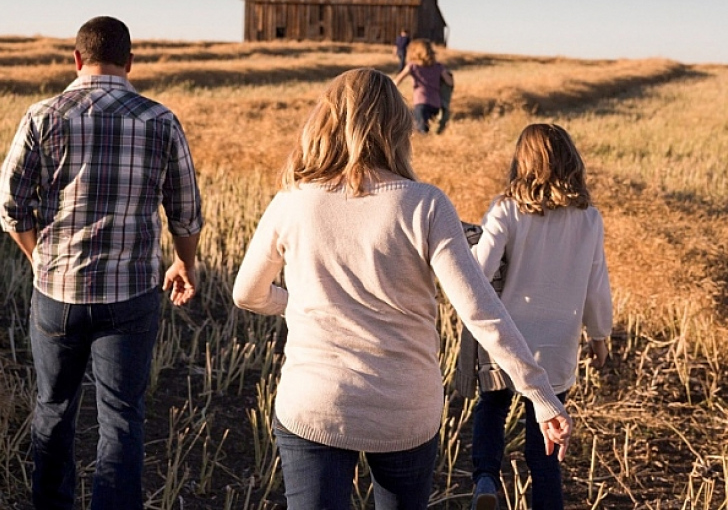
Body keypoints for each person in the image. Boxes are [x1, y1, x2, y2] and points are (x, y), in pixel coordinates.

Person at [232, 69, 571, 510]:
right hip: (405, 411)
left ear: (327, 121)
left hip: (314, 404)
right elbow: (479, 310)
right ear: (398, 125)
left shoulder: (292, 201)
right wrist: (540, 395)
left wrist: (301, 304)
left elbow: (247, 294)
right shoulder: (426, 204)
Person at [0, 16, 203, 510]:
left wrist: (39, 259)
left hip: (57, 293)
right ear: (130, 62)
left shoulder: (43, 115)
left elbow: (11, 205)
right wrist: (183, 264)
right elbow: (186, 212)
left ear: (76, 59)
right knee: (122, 416)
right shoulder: (160, 120)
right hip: (131, 296)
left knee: (53, 409)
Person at [462, 123, 612, 510]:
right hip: (558, 344)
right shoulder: (589, 218)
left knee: (492, 406)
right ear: (571, 162)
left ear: (522, 162)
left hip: (507, 338)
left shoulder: (506, 208)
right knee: (544, 448)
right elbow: (597, 283)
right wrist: (599, 336)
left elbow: (478, 271)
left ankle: (485, 481)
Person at [394, 39, 454, 134]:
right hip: (436, 104)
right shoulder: (438, 66)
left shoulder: (412, 66)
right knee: (432, 131)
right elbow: (449, 82)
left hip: (421, 102)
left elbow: (397, 80)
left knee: (421, 132)